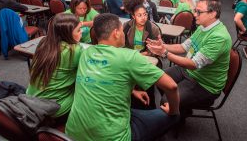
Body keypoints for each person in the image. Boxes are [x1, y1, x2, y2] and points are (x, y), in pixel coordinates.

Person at [65, 13, 180, 141]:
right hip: (113, 137)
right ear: (116, 33)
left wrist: (133, 90)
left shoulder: (86, 53)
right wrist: (173, 110)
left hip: (72, 133)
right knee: (173, 116)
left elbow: (103, 76)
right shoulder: (129, 56)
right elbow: (171, 86)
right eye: (121, 30)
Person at [147, 0, 231, 113]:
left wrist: (165, 53)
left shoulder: (219, 37)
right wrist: (163, 46)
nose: (195, 15)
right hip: (189, 71)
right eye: (195, 11)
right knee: (159, 79)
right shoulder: (202, 27)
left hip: (205, 84)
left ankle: (178, 114)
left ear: (212, 14)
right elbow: (183, 47)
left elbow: (193, 64)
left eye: (198, 12)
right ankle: (181, 109)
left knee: (167, 101)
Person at [26, 13, 83, 123]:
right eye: (79, 30)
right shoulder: (75, 51)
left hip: (31, 100)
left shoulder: (44, 43)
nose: (82, 32)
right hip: (54, 109)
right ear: (67, 33)